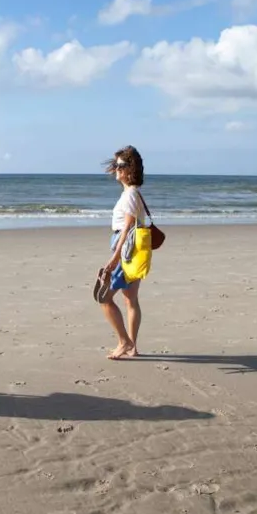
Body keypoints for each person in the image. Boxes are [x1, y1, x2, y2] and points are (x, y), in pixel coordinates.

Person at [99, 145, 149, 360]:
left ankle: (124, 342)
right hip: (133, 249)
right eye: (116, 165)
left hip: (125, 250)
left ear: (131, 169)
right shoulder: (133, 193)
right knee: (131, 300)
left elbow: (127, 228)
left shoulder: (129, 195)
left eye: (121, 166)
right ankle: (133, 347)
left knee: (104, 298)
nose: (116, 169)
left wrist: (114, 257)